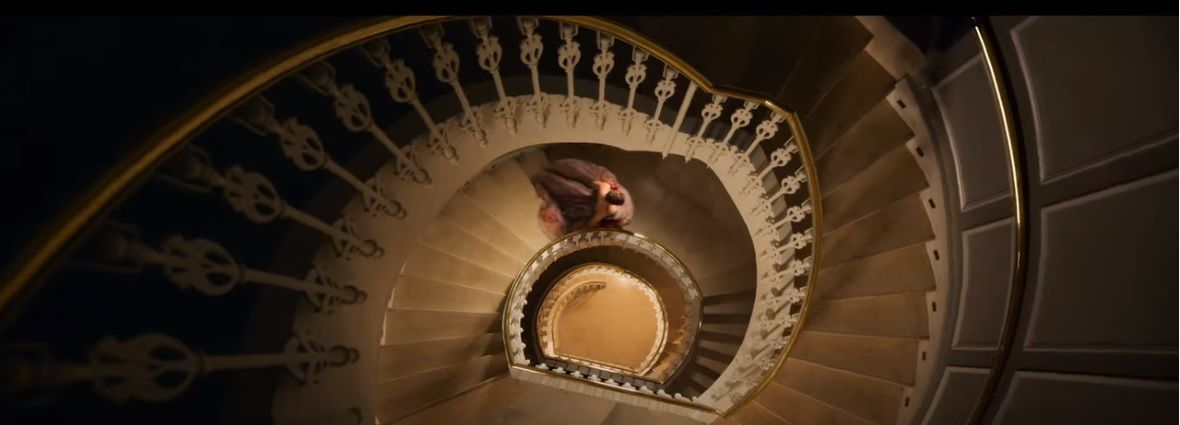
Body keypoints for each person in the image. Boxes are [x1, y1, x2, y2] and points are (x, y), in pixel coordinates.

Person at [530, 158, 634, 240]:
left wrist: (599, 214)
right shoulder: (625, 213)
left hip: (570, 199)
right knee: (565, 174)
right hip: (587, 184)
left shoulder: (589, 226)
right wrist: (604, 192)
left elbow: (575, 231)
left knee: (553, 183)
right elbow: (608, 182)